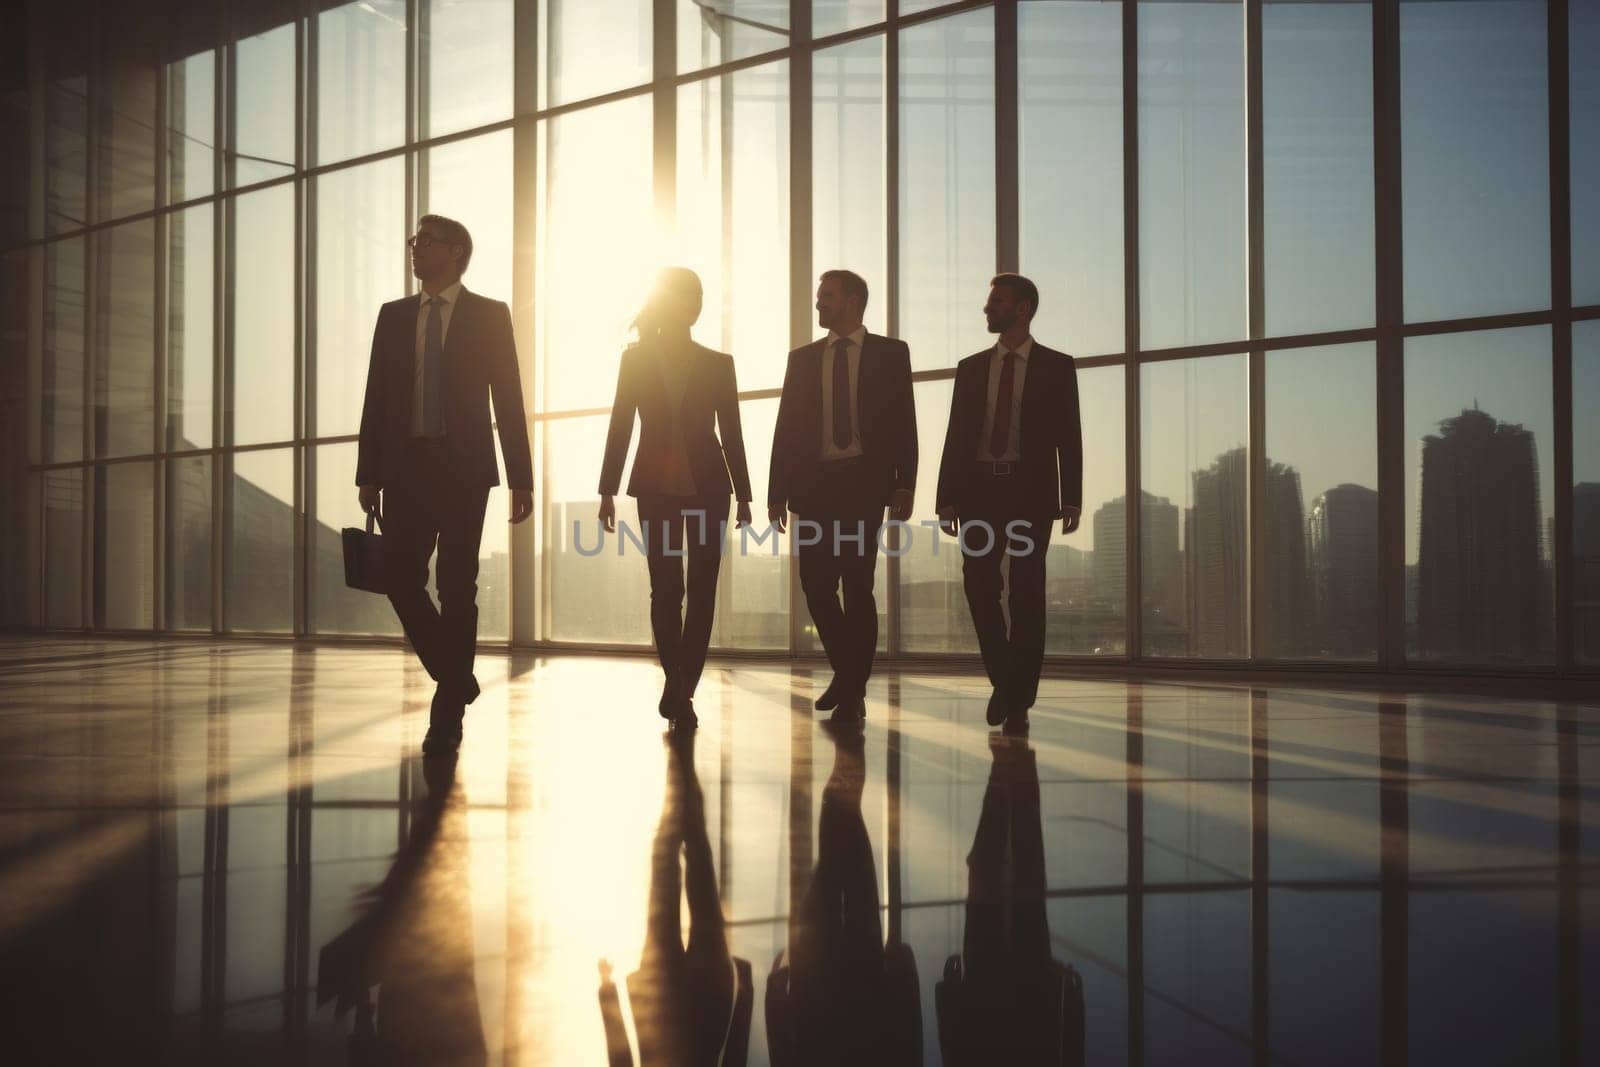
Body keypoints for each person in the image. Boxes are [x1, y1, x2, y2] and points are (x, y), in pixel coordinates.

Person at [356, 214, 533, 756]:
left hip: (462, 469)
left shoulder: (488, 315)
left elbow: (508, 396)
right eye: (413, 241)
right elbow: (377, 397)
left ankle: (447, 714)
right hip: (405, 469)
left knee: (459, 586)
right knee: (400, 580)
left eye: (425, 242)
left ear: (455, 252)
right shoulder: (393, 316)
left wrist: (521, 477)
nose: (414, 249)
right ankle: (455, 674)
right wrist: (368, 473)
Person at [599, 268, 753, 729]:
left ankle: (684, 686)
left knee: (702, 590)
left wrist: (744, 493)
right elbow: (621, 424)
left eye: (700, 296)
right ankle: (675, 680)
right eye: (690, 295)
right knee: (667, 589)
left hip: (710, 490)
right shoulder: (636, 360)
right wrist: (606, 489)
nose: (697, 303)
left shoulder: (718, 363)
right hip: (656, 490)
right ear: (671, 303)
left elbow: (732, 432)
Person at [768, 270, 917, 725]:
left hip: (862, 486)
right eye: (818, 299)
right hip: (814, 488)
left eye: (826, 298)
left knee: (857, 586)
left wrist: (905, 483)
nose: (819, 306)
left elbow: (904, 422)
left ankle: (851, 689)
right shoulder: (803, 359)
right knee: (816, 586)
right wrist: (777, 493)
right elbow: (785, 428)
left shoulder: (891, 354)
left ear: (854, 302)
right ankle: (850, 676)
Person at [935, 274, 1082, 735]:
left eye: (996, 302)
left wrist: (1071, 497)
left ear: (1023, 309)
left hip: (1030, 494)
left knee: (1026, 594)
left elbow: (1069, 436)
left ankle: (1019, 697)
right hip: (979, 491)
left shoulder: (1057, 366)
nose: (986, 309)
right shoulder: (972, 367)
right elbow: (956, 435)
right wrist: (946, 498)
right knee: (979, 587)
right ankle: (1006, 679)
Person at [766, 727, 921, 1067]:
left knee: (850, 862)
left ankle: (850, 754)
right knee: (839, 849)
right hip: (828, 990)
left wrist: (906, 982)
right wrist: (775, 998)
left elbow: (908, 1049)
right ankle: (849, 754)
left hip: (861, 987)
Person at [598, 732, 754, 1067]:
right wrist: (607, 992)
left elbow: (735, 1059)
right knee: (667, 862)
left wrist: (746, 996)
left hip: (700, 1008)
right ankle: (678, 761)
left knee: (696, 856)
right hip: (662, 1011)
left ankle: (681, 760)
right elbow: (621, 1059)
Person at [935, 736, 1085, 1067]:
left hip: (1026, 1015)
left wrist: (1071, 998)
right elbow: (954, 1052)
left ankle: (1013, 769)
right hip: (995, 1015)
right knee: (993, 882)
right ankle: (1005, 769)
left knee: (1022, 875)